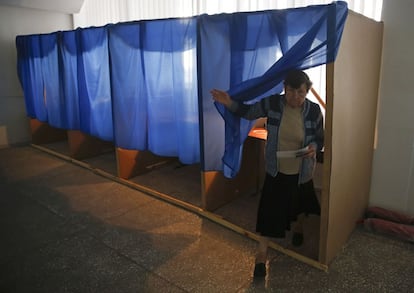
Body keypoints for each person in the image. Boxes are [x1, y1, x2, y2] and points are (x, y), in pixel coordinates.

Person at [210, 69, 324, 278]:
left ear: (307, 91)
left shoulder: (314, 111)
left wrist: (314, 147)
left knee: (299, 203)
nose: (295, 97)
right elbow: (249, 112)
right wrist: (228, 102)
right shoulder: (273, 103)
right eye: (291, 91)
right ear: (284, 89)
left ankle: (298, 228)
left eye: (300, 92)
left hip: (302, 169)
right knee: (270, 211)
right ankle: (261, 255)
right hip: (276, 168)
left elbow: (319, 138)